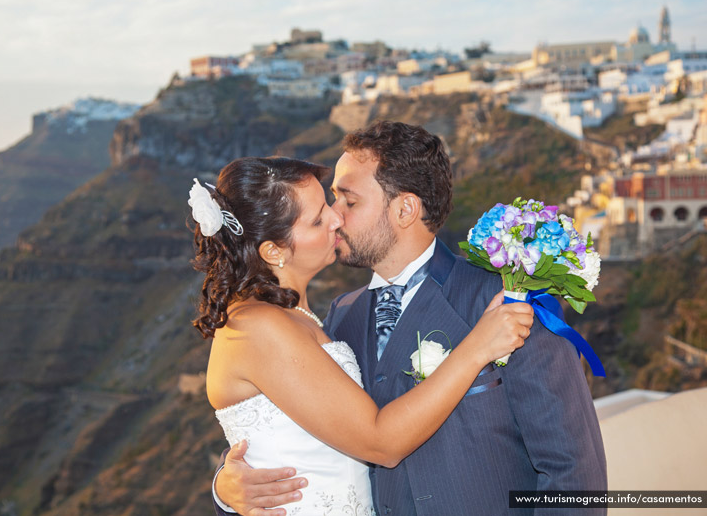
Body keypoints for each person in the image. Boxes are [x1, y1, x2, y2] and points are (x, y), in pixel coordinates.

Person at [213, 122, 608, 516]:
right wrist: (227, 487)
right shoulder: (338, 319)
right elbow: (299, 429)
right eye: (330, 203)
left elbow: (573, 471)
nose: (334, 217)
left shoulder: (507, 300)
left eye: (348, 201)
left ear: (405, 209)